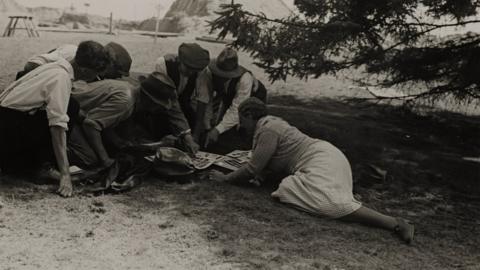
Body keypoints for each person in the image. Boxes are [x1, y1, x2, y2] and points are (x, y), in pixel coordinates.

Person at [209, 97, 415, 244]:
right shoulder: (270, 125)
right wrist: (263, 176)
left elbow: (252, 168)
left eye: (242, 119)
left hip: (321, 159)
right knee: (307, 193)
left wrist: (224, 179)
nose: (241, 125)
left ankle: (395, 223)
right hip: (325, 156)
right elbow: (272, 163)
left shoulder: (268, 129)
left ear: (249, 115)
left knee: (320, 201)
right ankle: (391, 222)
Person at [0, 40, 109, 197]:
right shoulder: (61, 77)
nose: (96, 77)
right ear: (85, 71)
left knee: (71, 105)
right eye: (95, 73)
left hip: (8, 122)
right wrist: (65, 174)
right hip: (8, 132)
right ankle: (41, 168)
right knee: (68, 110)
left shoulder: (57, 64)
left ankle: (27, 164)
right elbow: (57, 127)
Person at [194, 47, 267, 149]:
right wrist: (208, 127)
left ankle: (249, 150)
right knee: (220, 130)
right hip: (228, 96)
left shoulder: (245, 79)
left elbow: (237, 109)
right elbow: (206, 99)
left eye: (225, 75)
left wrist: (217, 130)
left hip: (254, 97)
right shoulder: (208, 73)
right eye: (218, 74)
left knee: (247, 127)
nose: (221, 77)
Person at [152, 43, 210, 154]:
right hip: (162, 105)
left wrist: (195, 136)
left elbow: (202, 100)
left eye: (194, 70)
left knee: (189, 138)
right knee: (162, 137)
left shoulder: (201, 70)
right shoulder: (163, 64)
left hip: (183, 104)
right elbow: (170, 102)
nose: (191, 73)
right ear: (179, 60)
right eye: (188, 68)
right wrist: (186, 134)